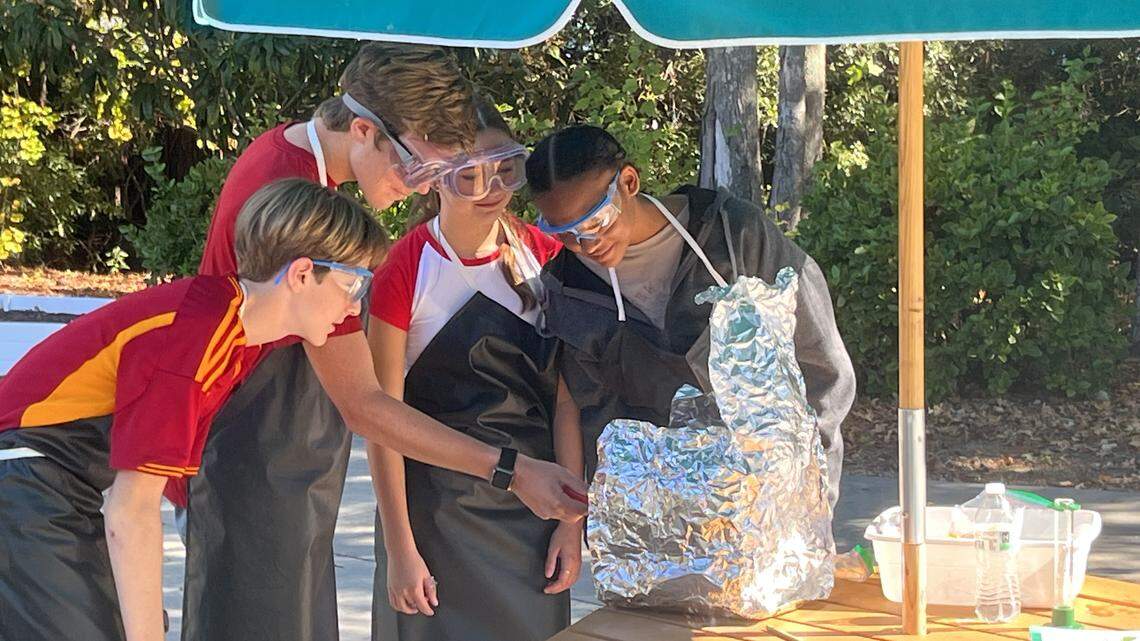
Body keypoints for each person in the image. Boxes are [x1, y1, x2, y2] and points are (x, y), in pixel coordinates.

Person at [182, 44, 586, 641]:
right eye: (417, 168)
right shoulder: (298, 206)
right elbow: (367, 405)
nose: (415, 185)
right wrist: (509, 470)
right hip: (258, 442)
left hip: (285, 447)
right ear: (365, 130)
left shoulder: (293, 159)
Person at [0, 179, 387, 641]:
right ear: (302, 274)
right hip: (25, 478)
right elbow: (132, 511)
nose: (352, 306)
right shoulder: (199, 336)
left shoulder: (228, 327)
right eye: (352, 283)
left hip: (53, 485)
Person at [527, 125, 856, 505]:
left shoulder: (734, 236)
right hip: (669, 516)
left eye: (596, 221)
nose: (588, 244)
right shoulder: (568, 289)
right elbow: (599, 423)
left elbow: (820, 363)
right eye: (565, 232)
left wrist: (811, 482)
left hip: (777, 493)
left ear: (629, 182)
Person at [367, 100, 580, 641]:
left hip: (532, 508)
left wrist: (569, 523)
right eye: (469, 176)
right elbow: (381, 421)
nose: (491, 188)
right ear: (435, 178)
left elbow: (566, 398)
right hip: (432, 515)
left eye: (505, 170)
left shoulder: (547, 257)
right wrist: (399, 548)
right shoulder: (403, 269)